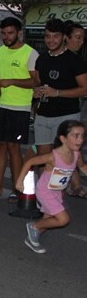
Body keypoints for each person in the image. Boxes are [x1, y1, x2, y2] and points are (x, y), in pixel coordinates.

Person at [0, 17, 39, 200]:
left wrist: (13, 81)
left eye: (10, 33)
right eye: (4, 33)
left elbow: (36, 82)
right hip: (0, 106)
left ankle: (18, 189)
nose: (7, 37)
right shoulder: (0, 52)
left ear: (19, 33)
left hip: (19, 108)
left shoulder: (30, 53)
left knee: (14, 148)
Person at [17, 120, 87, 254]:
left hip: (57, 191)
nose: (80, 139)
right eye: (76, 135)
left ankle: (31, 239)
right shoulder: (53, 156)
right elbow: (31, 161)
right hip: (45, 191)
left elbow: (83, 166)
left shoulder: (76, 154)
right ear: (63, 139)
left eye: (82, 136)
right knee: (63, 219)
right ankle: (34, 226)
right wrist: (20, 181)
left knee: (49, 219)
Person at [33, 19, 87, 159]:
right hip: (43, 116)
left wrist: (57, 93)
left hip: (66, 116)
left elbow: (85, 89)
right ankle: (44, 182)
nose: (51, 40)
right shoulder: (42, 59)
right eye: (48, 36)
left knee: (63, 161)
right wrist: (36, 91)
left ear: (63, 37)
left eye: (55, 36)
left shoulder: (75, 61)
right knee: (43, 159)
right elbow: (37, 82)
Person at [63, 21, 87, 198]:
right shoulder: (58, 59)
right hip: (54, 113)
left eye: (82, 39)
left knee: (73, 147)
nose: (80, 42)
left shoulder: (78, 61)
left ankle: (76, 185)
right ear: (67, 38)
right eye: (77, 38)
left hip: (72, 110)